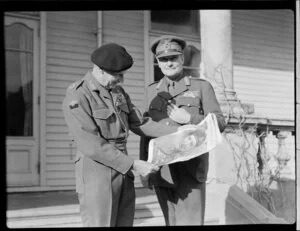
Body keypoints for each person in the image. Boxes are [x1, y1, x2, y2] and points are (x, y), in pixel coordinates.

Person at [62, 43, 180, 227]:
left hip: (123, 172)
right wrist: (133, 164)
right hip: (97, 173)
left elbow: (140, 123)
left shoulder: (118, 92)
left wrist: (179, 131)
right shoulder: (78, 95)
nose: (121, 80)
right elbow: (91, 144)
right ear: (100, 70)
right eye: (117, 75)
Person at [139, 35, 226, 226]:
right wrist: (145, 171)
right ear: (158, 62)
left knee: (192, 222)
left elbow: (219, 123)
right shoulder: (150, 91)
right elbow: (146, 132)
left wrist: (189, 119)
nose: (169, 63)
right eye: (163, 59)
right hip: (163, 170)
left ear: (182, 59)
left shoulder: (201, 87)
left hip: (191, 170)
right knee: (170, 221)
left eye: (173, 58)